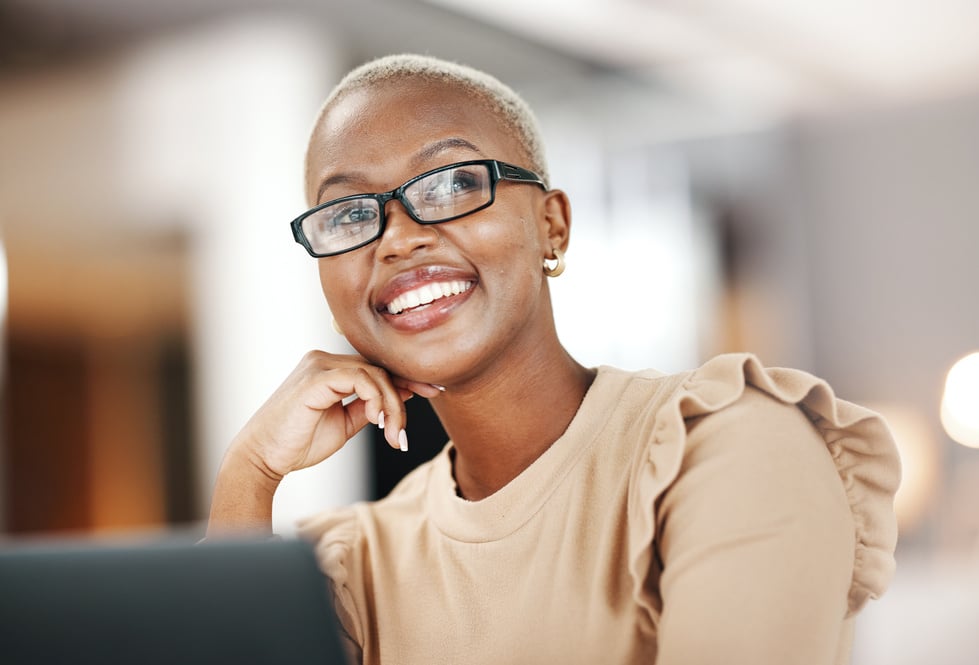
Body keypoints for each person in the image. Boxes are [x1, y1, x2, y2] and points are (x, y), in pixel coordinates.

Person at [206, 53, 901, 664]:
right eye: (351, 214)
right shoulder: (353, 568)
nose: (396, 238)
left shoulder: (724, 446)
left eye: (449, 184)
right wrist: (250, 471)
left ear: (552, 225)